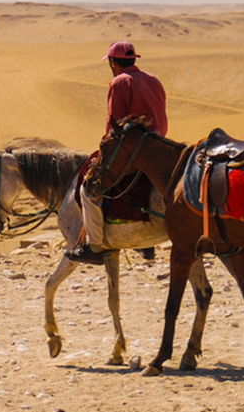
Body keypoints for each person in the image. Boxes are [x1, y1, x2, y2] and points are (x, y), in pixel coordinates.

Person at [66, 41, 168, 264]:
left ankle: (94, 245)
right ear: (133, 59)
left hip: (133, 148)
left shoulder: (119, 82)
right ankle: (147, 244)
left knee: (89, 188)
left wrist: (107, 148)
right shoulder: (153, 79)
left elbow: (115, 123)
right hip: (160, 147)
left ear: (113, 63)